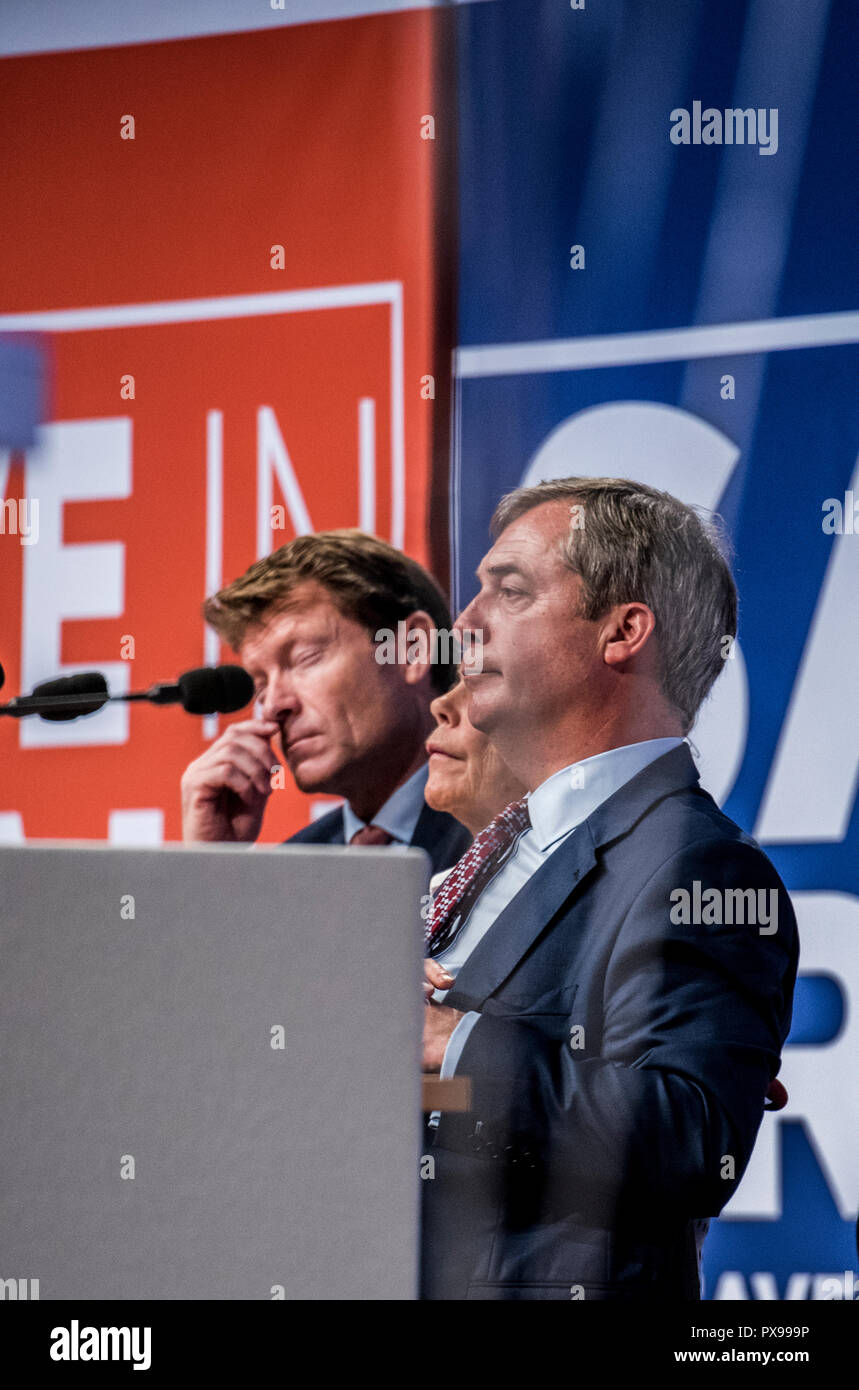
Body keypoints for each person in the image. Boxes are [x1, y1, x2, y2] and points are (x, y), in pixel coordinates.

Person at [419, 477, 799, 1301]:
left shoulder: (700, 869)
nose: (465, 624)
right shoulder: (489, 852)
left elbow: (690, 1137)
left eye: (508, 591)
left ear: (623, 632)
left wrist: (448, 1042)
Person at [181, 530, 471, 873]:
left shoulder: (506, 832)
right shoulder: (286, 875)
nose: (273, 705)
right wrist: (213, 868)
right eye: (260, 687)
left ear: (411, 649)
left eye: (306, 657)